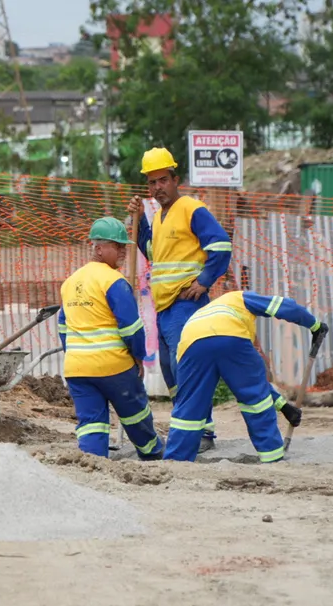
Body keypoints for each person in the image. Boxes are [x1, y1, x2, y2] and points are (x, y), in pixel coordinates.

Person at [127, 147, 232, 452]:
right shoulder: (160, 217)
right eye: (152, 182)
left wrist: (204, 281)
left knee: (187, 369)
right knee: (171, 371)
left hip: (186, 304)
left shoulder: (191, 209)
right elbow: (151, 251)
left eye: (163, 180)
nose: (157, 187)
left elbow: (221, 246)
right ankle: (192, 426)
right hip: (165, 308)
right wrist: (139, 220)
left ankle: (201, 433)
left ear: (176, 180)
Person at [164, 290, 327, 463]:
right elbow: (284, 306)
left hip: (190, 345)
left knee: (189, 406)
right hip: (230, 335)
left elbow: (252, 380)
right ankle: (272, 456)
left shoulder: (203, 314)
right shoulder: (238, 298)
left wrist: (284, 407)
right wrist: (315, 325)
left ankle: (176, 460)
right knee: (256, 403)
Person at [58, 217, 164, 460]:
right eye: (117, 246)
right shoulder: (113, 281)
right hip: (113, 366)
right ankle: (153, 455)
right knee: (135, 415)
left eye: (124, 246)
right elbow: (131, 328)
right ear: (98, 248)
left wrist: (75, 356)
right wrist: (138, 357)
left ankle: (94, 462)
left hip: (77, 369)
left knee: (91, 423)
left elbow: (63, 327)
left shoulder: (70, 282)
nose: (123, 251)